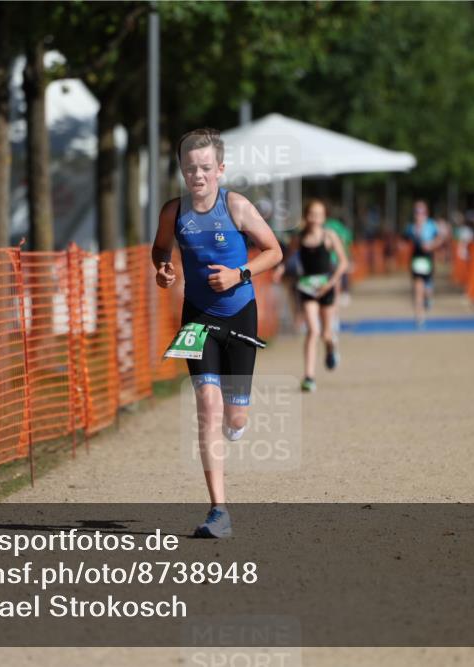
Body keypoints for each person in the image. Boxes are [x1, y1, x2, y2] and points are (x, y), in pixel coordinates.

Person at [151, 128, 282, 538]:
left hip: (240, 317)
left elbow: (274, 251)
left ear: (220, 169)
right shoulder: (173, 212)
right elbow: (160, 249)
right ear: (181, 170)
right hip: (197, 319)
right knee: (208, 407)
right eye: (190, 168)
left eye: (206, 168)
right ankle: (218, 510)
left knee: (234, 416)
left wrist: (238, 274)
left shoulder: (237, 206)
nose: (198, 175)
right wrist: (163, 268)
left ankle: (236, 420)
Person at [273, 199, 349, 392]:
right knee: (313, 331)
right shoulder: (299, 238)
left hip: (326, 287)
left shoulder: (329, 236)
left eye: (318, 215)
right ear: (306, 216)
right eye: (311, 214)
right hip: (307, 288)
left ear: (324, 217)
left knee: (325, 334)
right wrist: (280, 269)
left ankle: (331, 347)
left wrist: (330, 283)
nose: (315, 218)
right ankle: (309, 376)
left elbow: (343, 263)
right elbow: (288, 256)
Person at [403, 200, 446, 326]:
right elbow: (404, 239)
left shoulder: (431, 225)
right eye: (416, 212)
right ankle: (419, 316)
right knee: (417, 288)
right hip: (416, 259)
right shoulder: (410, 227)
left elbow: (440, 238)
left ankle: (428, 298)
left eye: (421, 212)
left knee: (427, 290)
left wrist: (431, 245)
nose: (419, 214)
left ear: (426, 213)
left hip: (428, 259)